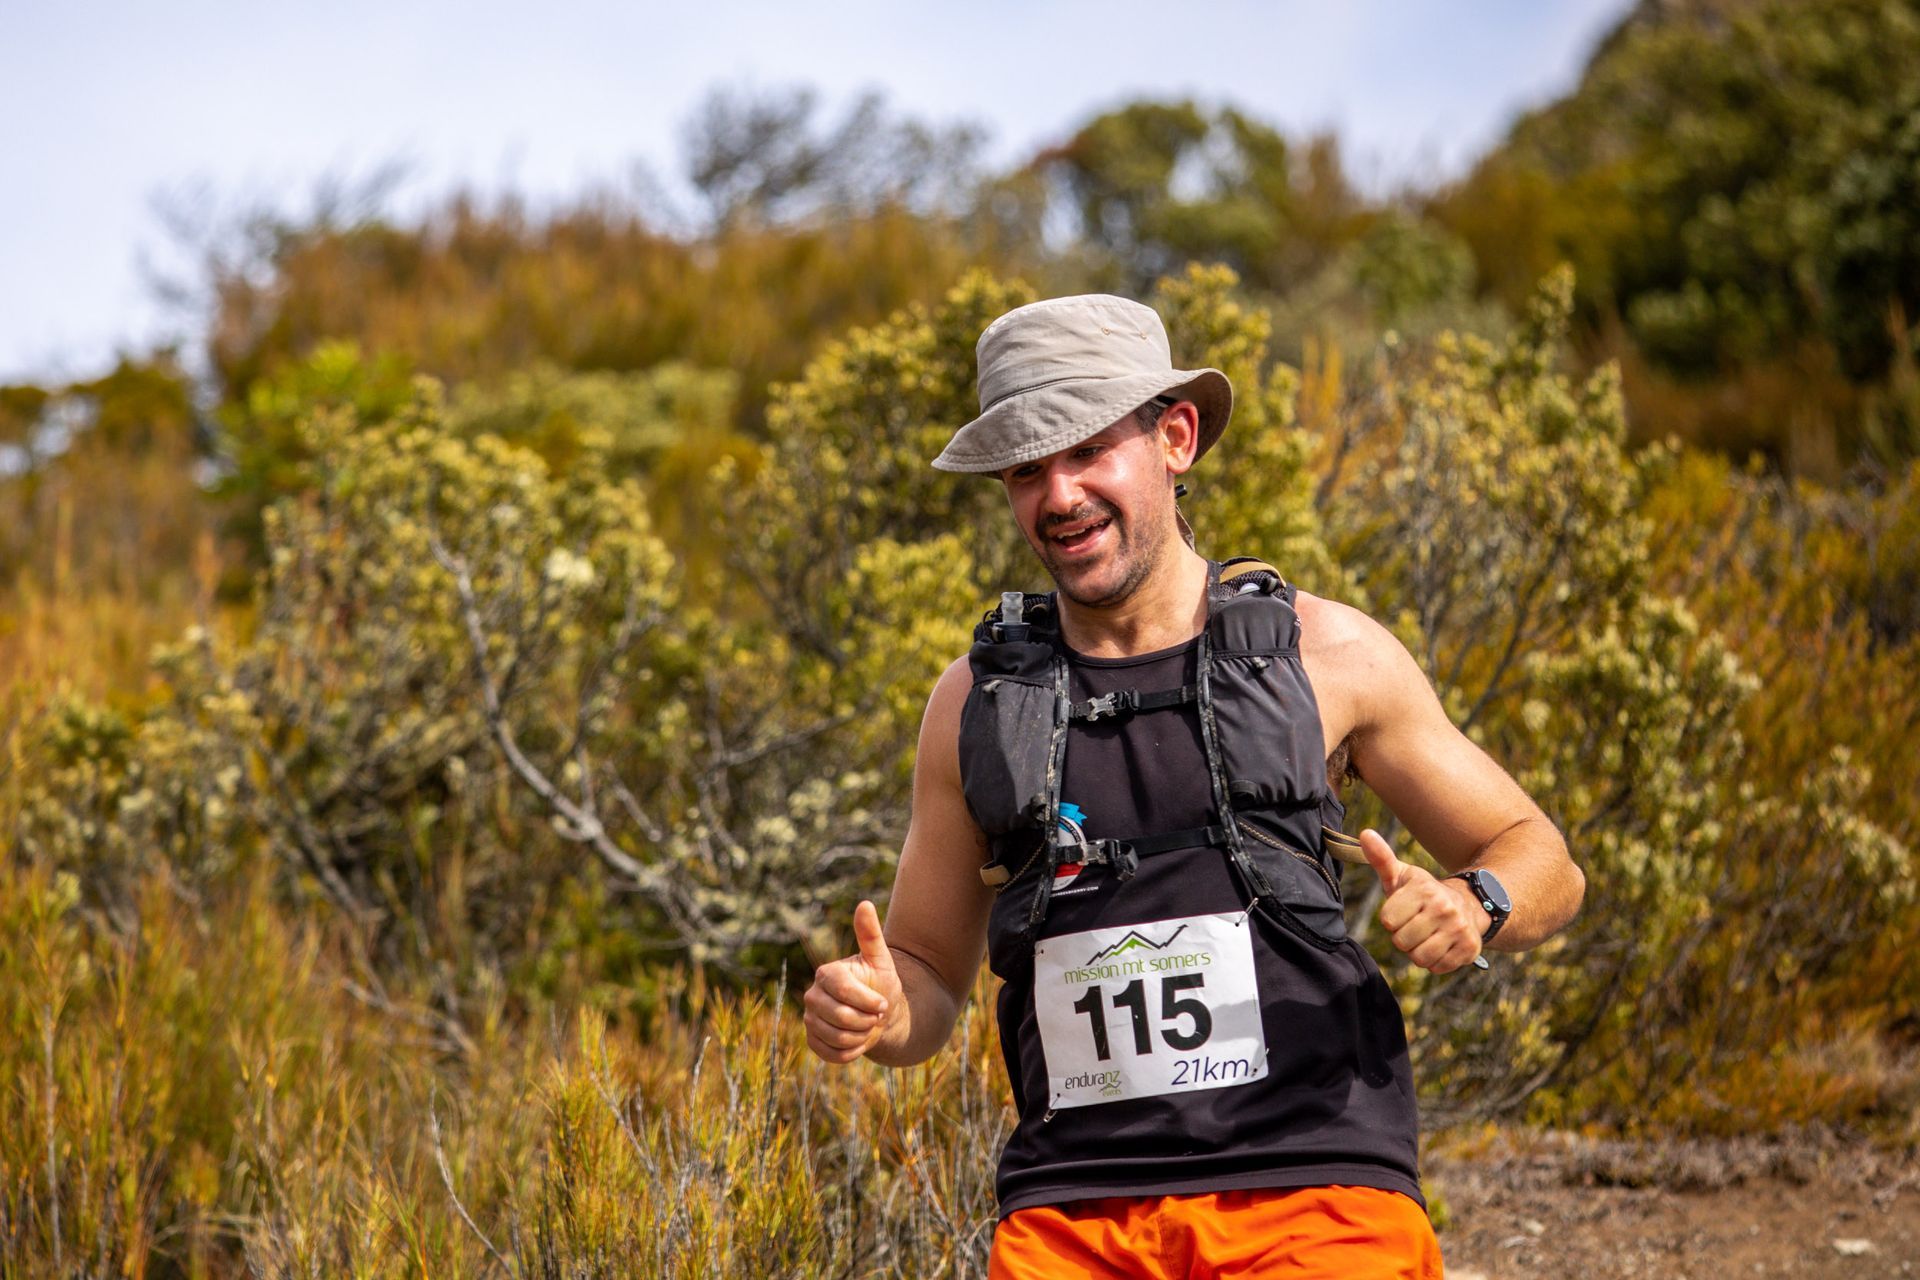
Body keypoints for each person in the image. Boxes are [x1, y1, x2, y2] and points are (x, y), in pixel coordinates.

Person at [803, 293, 1585, 1278]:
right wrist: (877, 1010)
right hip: (1070, 1214)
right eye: (1028, 469)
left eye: (1089, 451)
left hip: (1316, 1191)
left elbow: (1540, 854)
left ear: (1175, 438)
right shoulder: (974, 701)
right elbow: (925, 973)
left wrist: (1478, 903)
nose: (1060, 494)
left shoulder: (1328, 653)